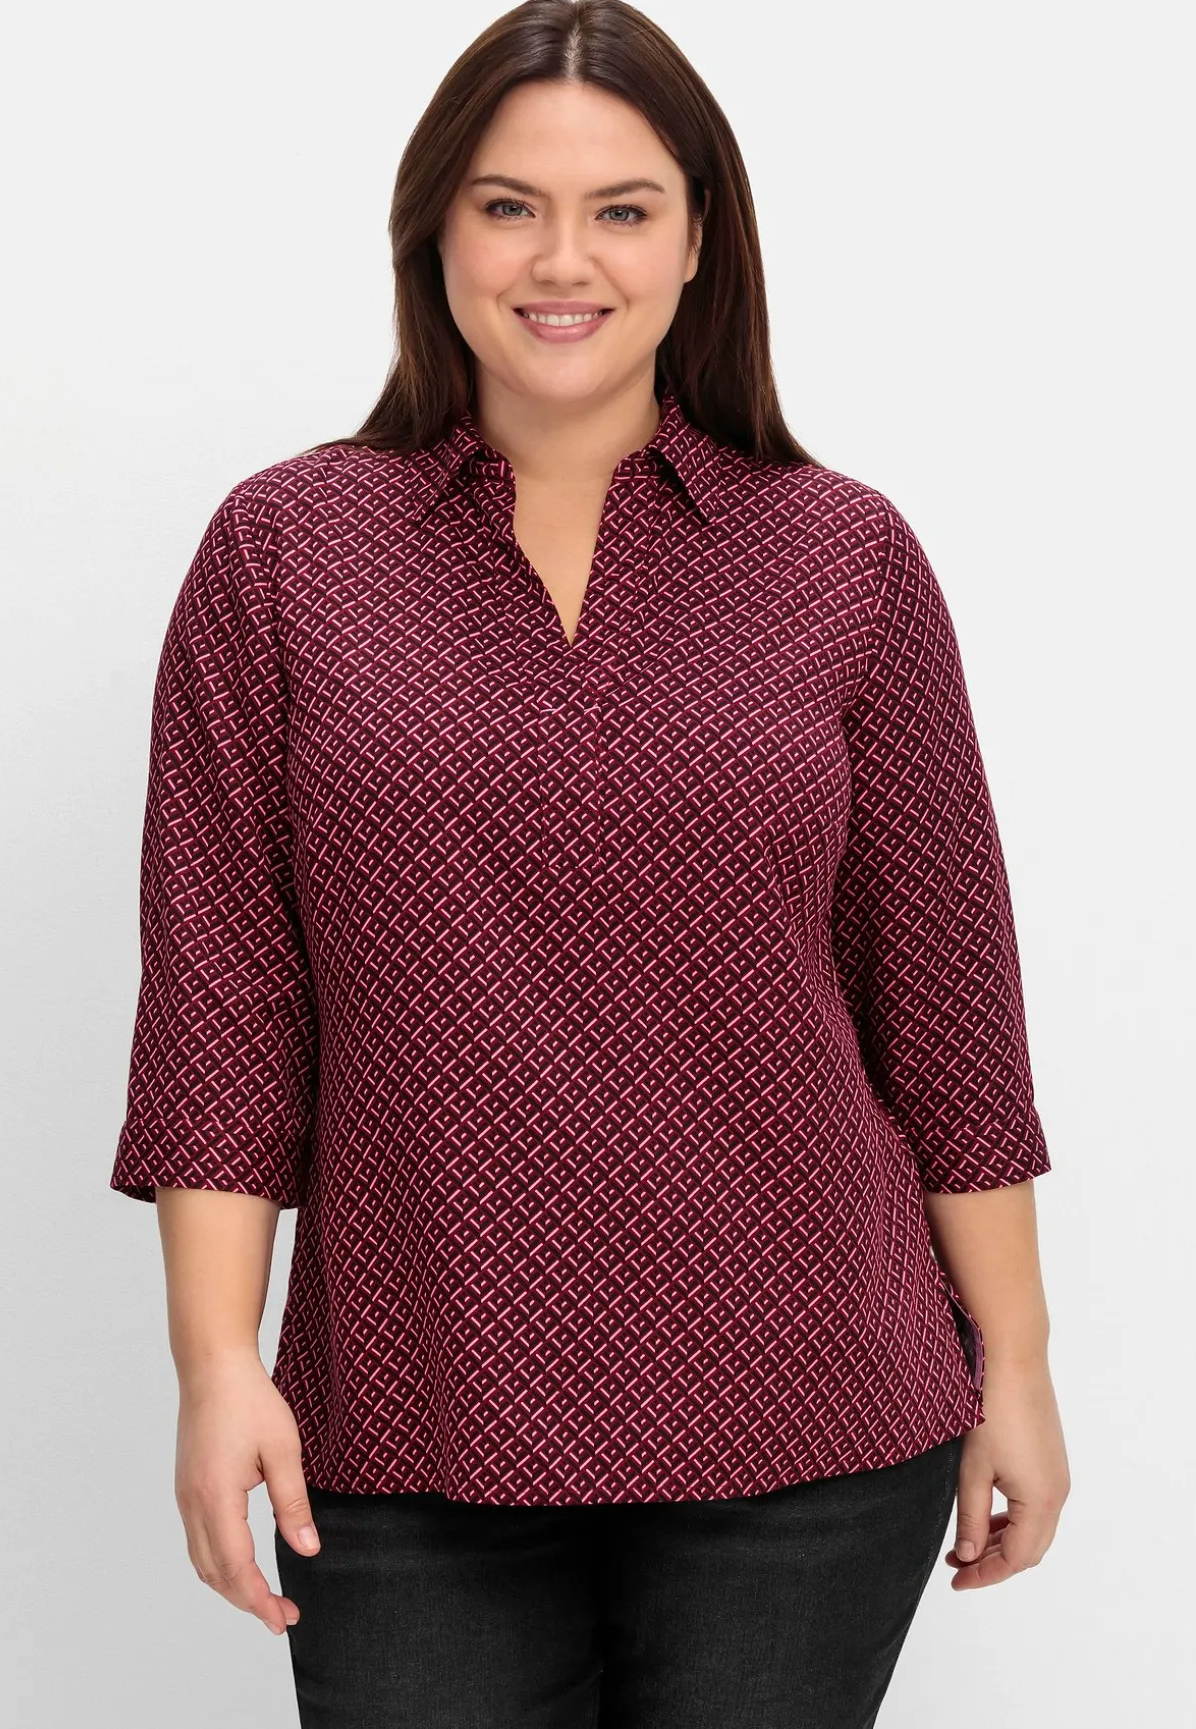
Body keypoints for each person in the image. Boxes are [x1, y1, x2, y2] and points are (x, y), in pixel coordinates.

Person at [108, 2, 1070, 1724]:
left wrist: (1020, 1363)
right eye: (508, 207)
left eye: (622, 209)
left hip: (811, 1418)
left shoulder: (840, 555)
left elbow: (943, 1004)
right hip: (406, 1418)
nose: (564, 260)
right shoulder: (285, 550)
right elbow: (221, 1008)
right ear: (433, 233)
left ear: (699, 242)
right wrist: (212, 1367)